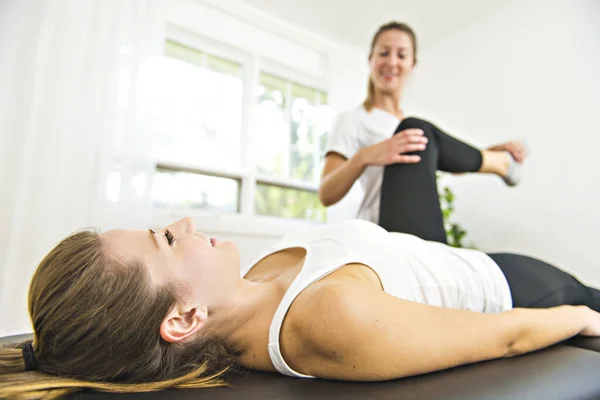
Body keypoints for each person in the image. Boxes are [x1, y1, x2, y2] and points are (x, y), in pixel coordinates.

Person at [2, 216, 600, 398]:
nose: (182, 222)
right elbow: (506, 337)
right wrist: (582, 318)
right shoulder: (324, 320)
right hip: (518, 286)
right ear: (183, 319)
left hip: (465, 257)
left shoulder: (247, 286)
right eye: (165, 240)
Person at [320, 21, 529, 242]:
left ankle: (498, 161)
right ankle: (500, 163)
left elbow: (453, 166)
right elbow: (326, 194)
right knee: (416, 128)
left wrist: (491, 151)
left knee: (417, 129)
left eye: (401, 55)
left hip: (421, 219)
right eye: (383, 53)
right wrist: (364, 157)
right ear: (371, 59)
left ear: (412, 64)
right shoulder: (354, 120)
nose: (391, 61)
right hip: (380, 230)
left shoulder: (410, 125)